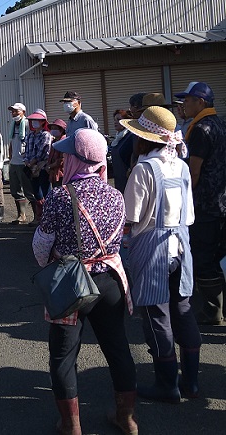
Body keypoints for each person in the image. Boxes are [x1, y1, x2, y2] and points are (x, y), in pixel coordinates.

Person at [32, 128, 137, 435]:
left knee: (64, 355)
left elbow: (41, 246)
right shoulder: (116, 194)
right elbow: (122, 238)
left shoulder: (60, 196)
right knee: (117, 347)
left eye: (67, 153)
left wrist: (51, 264)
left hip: (71, 285)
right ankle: (127, 419)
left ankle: (71, 425)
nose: (63, 158)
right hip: (110, 282)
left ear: (77, 159)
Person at [121, 106, 201, 403]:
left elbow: (131, 214)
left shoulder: (143, 169)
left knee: (156, 315)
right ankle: (191, 383)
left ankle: (167, 385)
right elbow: (189, 214)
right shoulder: (180, 165)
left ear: (143, 140)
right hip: (181, 245)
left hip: (152, 248)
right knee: (183, 309)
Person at [175, 81, 226, 325]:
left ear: (201, 102)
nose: (184, 104)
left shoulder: (201, 128)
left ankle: (211, 310)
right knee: (218, 254)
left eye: (188, 99)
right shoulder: (220, 123)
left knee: (205, 257)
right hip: (221, 201)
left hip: (205, 203)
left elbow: (193, 172)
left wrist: (184, 201)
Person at [7, 103, 36, 224]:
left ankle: (37, 216)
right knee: (15, 190)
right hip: (14, 162)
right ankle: (21, 215)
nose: (14, 113)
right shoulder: (13, 125)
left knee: (29, 190)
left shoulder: (28, 125)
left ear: (23, 112)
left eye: (16, 111)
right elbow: (12, 142)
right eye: (12, 111)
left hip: (24, 163)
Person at [23, 109, 53, 226]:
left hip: (42, 167)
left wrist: (33, 162)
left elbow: (43, 151)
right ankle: (39, 217)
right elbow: (26, 150)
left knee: (46, 191)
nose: (35, 122)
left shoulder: (46, 135)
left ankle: (49, 217)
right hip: (31, 167)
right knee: (36, 192)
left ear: (43, 122)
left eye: (38, 120)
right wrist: (27, 162)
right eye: (33, 120)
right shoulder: (30, 135)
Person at [110, 109, 133, 194]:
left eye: (119, 120)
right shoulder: (118, 138)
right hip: (119, 181)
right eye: (115, 120)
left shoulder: (130, 137)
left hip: (129, 182)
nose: (115, 122)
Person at [46, 118, 67, 188]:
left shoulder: (64, 141)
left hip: (62, 173)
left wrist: (50, 166)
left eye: (55, 128)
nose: (52, 130)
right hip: (54, 172)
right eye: (52, 128)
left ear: (61, 130)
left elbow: (62, 160)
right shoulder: (54, 141)